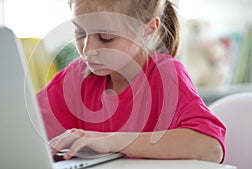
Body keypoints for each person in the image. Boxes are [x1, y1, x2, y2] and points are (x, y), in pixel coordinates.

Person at [36, 0, 226, 163]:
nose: (87, 49)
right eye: (80, 32)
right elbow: (19, 131)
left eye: (105, 37)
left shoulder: (166, 75)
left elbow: (211, 147)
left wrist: (112, 141)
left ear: (147, 30)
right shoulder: (76, 77)